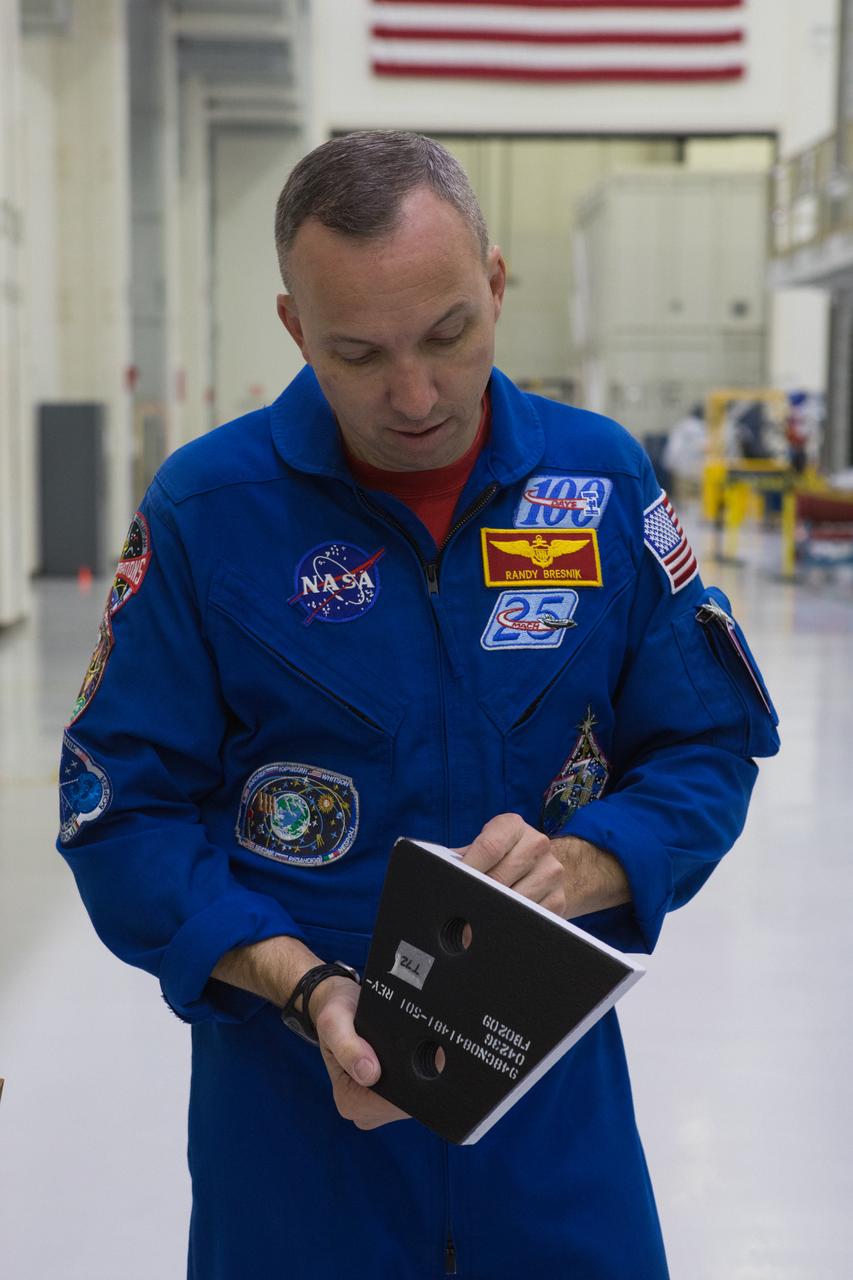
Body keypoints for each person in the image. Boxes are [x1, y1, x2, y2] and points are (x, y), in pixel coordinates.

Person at [57, 131, 780, 1279]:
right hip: (298, 1127)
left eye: (449, 334)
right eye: (357, 352)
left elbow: (706, 741)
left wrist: (584, 864)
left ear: (494, 282)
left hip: (548, 1106)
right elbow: (121, 809)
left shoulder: (596, 486)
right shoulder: (209, 511)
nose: (415, 394)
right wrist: (302, 986)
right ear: (295, 330)